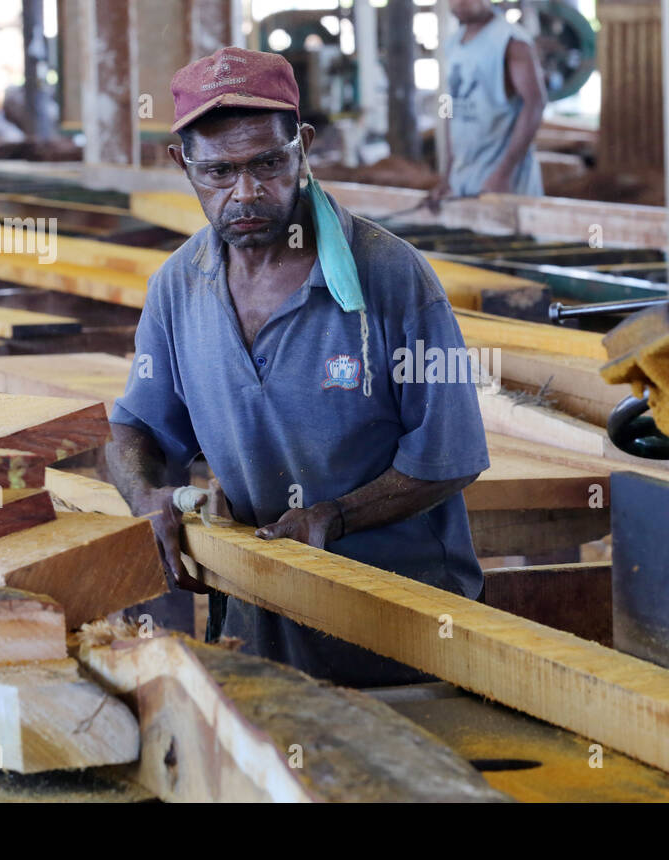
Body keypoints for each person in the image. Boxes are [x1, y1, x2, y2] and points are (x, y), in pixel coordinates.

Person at [106, 46, 491, 686]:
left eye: (268, 163)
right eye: (219, 173)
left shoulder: (391, 277)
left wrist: (333, 515)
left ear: (303, 146)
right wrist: (145, 496)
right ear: (182, 164)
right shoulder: (179, 287)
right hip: (256, 618)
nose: (247, 192)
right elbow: (137, 427)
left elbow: (449, 455)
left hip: (402, 629)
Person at [428, 0, 546, 204]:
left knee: (511, 243)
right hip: (463, 181)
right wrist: (447, 174)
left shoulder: (512, 41)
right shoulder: (453, 45)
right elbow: (450, 108)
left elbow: (535, 103)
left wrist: (504, 174)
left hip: (504, 183)